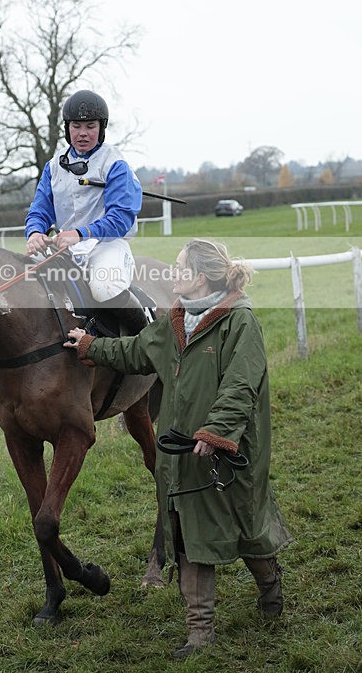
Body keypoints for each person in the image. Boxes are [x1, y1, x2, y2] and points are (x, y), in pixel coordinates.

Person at [64, 238, 294, 659]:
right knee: (187, 534)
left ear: (199, 277)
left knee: (244, 527)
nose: (172, 273)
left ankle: (271, 587)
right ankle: (200, 632)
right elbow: (136, 350)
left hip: (229, 450)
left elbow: (241, 386)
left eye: (179, 267)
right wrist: (90, 347)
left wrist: (216, 433)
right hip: (181, 454)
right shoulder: (175, 320)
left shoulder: (239, 323)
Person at [25, 89, 147, 334]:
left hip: (106, 245)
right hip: (63, 246)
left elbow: (121, 218)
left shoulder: (115, 164)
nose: (82, 133)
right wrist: (35, 232)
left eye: (90, 126)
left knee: (105, 288)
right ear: (67, 128)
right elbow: (40, 209)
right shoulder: (52, 166)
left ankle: (147, 340)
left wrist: (80, 234)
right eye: (76, 126)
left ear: (101, 129)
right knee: (25, 281)